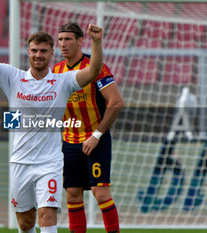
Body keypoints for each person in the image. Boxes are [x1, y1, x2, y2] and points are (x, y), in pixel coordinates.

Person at [0, 12, 103, 233]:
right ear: (28, 52)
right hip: (20, 163)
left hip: (50, 164)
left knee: (47, 217)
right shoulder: (13, 78)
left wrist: (96, 42)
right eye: (34, 50)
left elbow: (93, 70)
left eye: (43, 51)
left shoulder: (62, 81)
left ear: (51, 54)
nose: (38, 55)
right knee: (25, 224)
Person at [52, 22, 124, 233]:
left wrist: (97, 135)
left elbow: (116, 102)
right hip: (69, 142)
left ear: (79, 41)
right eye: (60, 40)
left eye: (68, 39)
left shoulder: (95, 67)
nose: (63, 44)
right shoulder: (56, 70)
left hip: (95, 140)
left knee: (100, 193)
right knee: (72, 194)